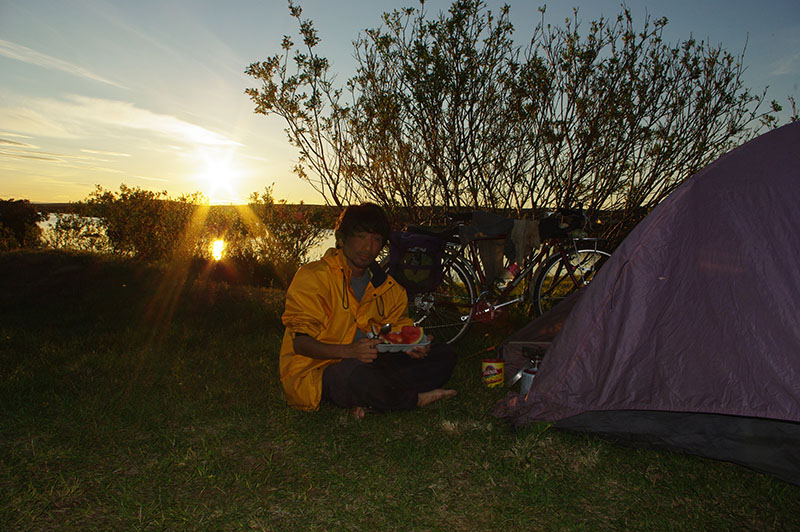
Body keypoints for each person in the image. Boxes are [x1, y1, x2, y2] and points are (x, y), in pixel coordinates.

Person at [279, 203, 458, 419]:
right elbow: (300, 344)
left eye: (375, 240)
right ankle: (414, 399)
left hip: (372, 361)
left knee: (444, 354)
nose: (368, 248)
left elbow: (397, 326)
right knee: (356, 378)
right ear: (342, 238)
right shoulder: (314, 277)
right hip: (322, 367)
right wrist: (350, 351)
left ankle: (374, 400)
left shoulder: (388, 286)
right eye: (361, 237)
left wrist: (412, 344)